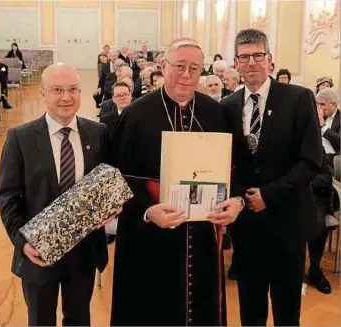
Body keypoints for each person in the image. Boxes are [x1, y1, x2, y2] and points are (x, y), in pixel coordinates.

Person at [110, 38, 244, 326]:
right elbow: (115, 178)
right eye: (180, 66)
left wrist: (235, 201)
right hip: (150, 233)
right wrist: (147, 210)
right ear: (163, 66)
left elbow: (235, 169)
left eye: (194, 68)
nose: (186, 74)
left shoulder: (216, 113)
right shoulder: (136, 114)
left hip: (202, 230)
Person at [0, 63, 118, 326]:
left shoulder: (98, 133)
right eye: (57, 90)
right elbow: (8, 197)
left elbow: (107, 183)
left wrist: (112, 206)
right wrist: (23, 243)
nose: (66, 97)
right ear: (42, 93)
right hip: (38, 254)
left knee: (79, 319)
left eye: (73, 89)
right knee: (40, 320)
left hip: (84, 251)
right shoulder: (20, 137)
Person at [221, 28, 322, 326]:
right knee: (250, 308)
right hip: (247, 223)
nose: (251, 62)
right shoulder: (226, 107)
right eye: (244, 57)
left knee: (287, 310)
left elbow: (311, 160)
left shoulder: (299, 98)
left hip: (287, 219)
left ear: (270, 60)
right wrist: (241, 197)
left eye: (258, 55)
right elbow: (225, 162)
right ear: (236, 63)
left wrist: (270, 195)